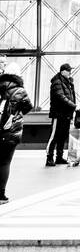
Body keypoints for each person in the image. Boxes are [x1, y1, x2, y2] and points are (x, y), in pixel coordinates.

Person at [0, 57, 34, 204]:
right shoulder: (20, 90)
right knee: (4, 163)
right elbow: (28, 107)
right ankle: (1, 195)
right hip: (10, 131)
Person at [46, 61, 76, 167]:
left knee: (62, 136)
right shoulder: (57, 82)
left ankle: (59, 157)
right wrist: (73, 106)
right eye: (68, 71)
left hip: (66, 114)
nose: (70, 73)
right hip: (58, 114)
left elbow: (70, 96)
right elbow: (61, 97)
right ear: (63, 71)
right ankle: (49, 158)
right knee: (54, 136)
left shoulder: (68, 82)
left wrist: (72, 108)